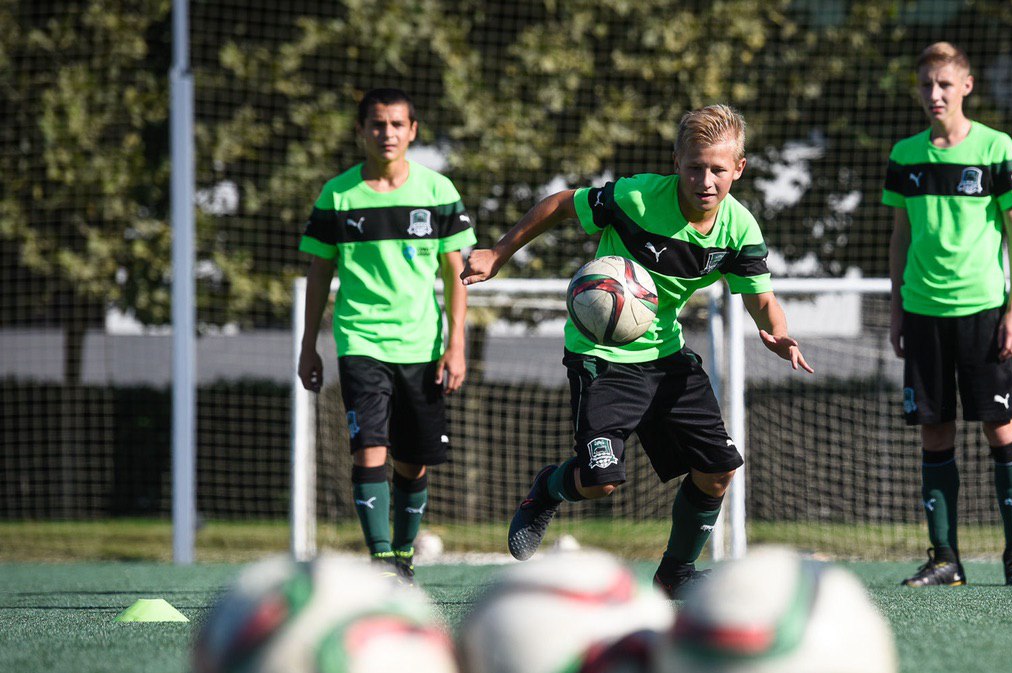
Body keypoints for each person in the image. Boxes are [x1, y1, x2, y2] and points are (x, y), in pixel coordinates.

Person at [462, 104, 813, 597]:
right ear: (676, 162)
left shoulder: (739, 230)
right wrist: (499, 253)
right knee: (599, 480)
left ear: (739, 169)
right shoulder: (636, 198)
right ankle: (547, 489)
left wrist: (776, 332)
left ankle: (675, 575)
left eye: (717, 169)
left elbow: (761, 298)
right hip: (600, 356)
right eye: (695, 167)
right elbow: (563, 204)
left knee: (718, 471)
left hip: (666, 357)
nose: (705, 180)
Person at [297, 87, 475, 582]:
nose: (387, 133)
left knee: (413, 462)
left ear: (413, 131)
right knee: (369, 446)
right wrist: (309, 345)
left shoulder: (438, 191)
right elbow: (318, 272)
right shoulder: (337, 195)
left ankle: (403, 553)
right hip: (360, 340)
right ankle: (380, 559)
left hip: (423, 345)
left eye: (397, 124)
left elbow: (454, 273)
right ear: (361, 130)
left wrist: (456, 344)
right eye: (377, 124)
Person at [884, 42, 1012, 588]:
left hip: (984, 311)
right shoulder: (905, 155)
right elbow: (899, 237)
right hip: (923, 312)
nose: (935, 94)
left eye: (945, 84)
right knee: (934, 431)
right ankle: (945, 559)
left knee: (1001, 427)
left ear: (966, 86)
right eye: (927, 84)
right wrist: (896, 309)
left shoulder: (996, 147)